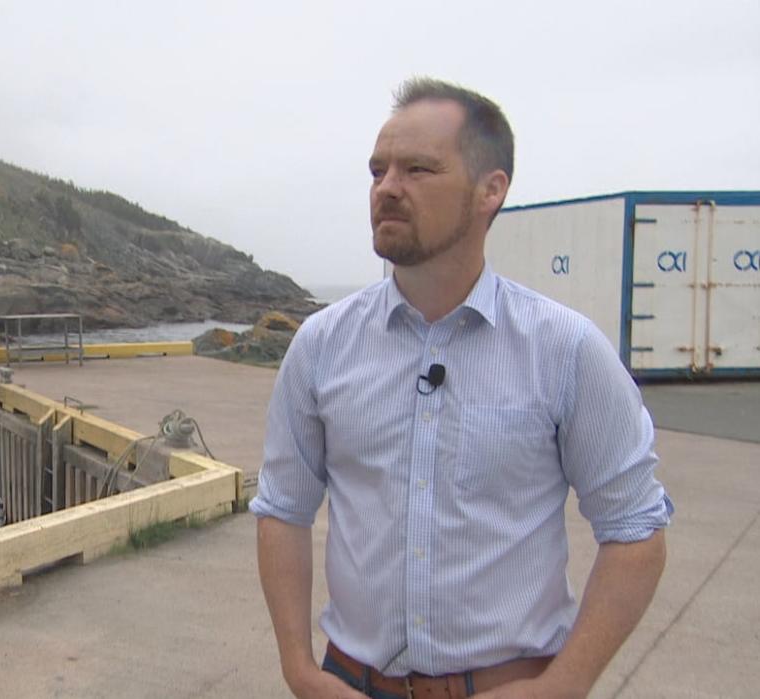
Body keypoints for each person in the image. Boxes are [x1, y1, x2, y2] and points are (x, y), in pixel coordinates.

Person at [251, 77, 672, 699]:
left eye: (418, 169)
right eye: (378, 170)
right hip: (350, 683)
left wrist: (563, 686)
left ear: (490, 190)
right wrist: (299, 669)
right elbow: (283, 509)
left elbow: (635, 527)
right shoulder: (321, 345)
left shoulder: (565, 349)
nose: (388, 188)